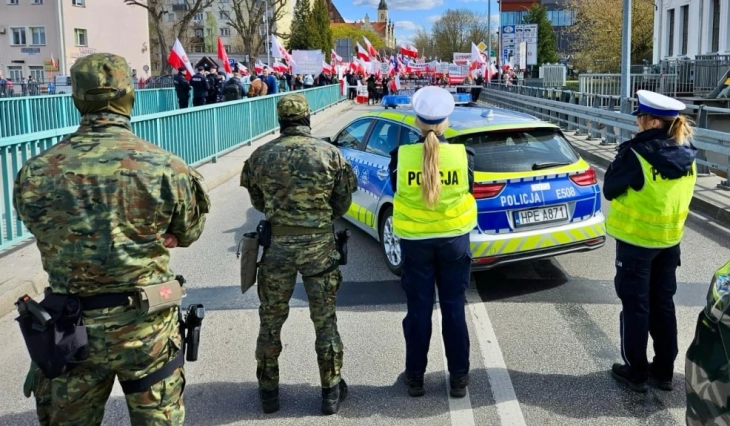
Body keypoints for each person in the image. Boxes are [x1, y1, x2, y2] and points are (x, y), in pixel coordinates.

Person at [13, 53, 210, 425]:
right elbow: (189, 231)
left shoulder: (36, 171)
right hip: (146, 328)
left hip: (70, 330)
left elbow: (39, 226)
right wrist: (160, 234)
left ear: (77, 98)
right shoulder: (166, 166)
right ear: (129, 95)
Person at [240, 93, 357, 415]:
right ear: (307, 118)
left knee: (270, 320)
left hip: (277, 248)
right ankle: (330, 391)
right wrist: (317, 219)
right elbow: (342, 202)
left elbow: (257, 201)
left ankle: (268, 393)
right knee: (325, 320)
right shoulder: (329, 154)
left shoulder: (261, 155)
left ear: (280, 121)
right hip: (319, 248)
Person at [604, 90, 697, 393]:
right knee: (663, 305)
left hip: (637, 244)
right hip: (669, 243)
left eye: (641, 117)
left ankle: (636, 373)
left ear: (654, 122)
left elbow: (609, 189)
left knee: (636, 308)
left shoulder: (636, 154)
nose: (638, 123)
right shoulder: (688, 152)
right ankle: (664, 371)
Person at [387, 86, 477, 398]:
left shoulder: (400, 157)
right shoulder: (464, 155)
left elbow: (396, 188)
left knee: (419, 310)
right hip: (454, 240)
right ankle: (459, 378)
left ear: (417, 121)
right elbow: (469, 189)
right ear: (445, 122)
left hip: (416, 243)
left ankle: (415, 378)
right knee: (454, 309)